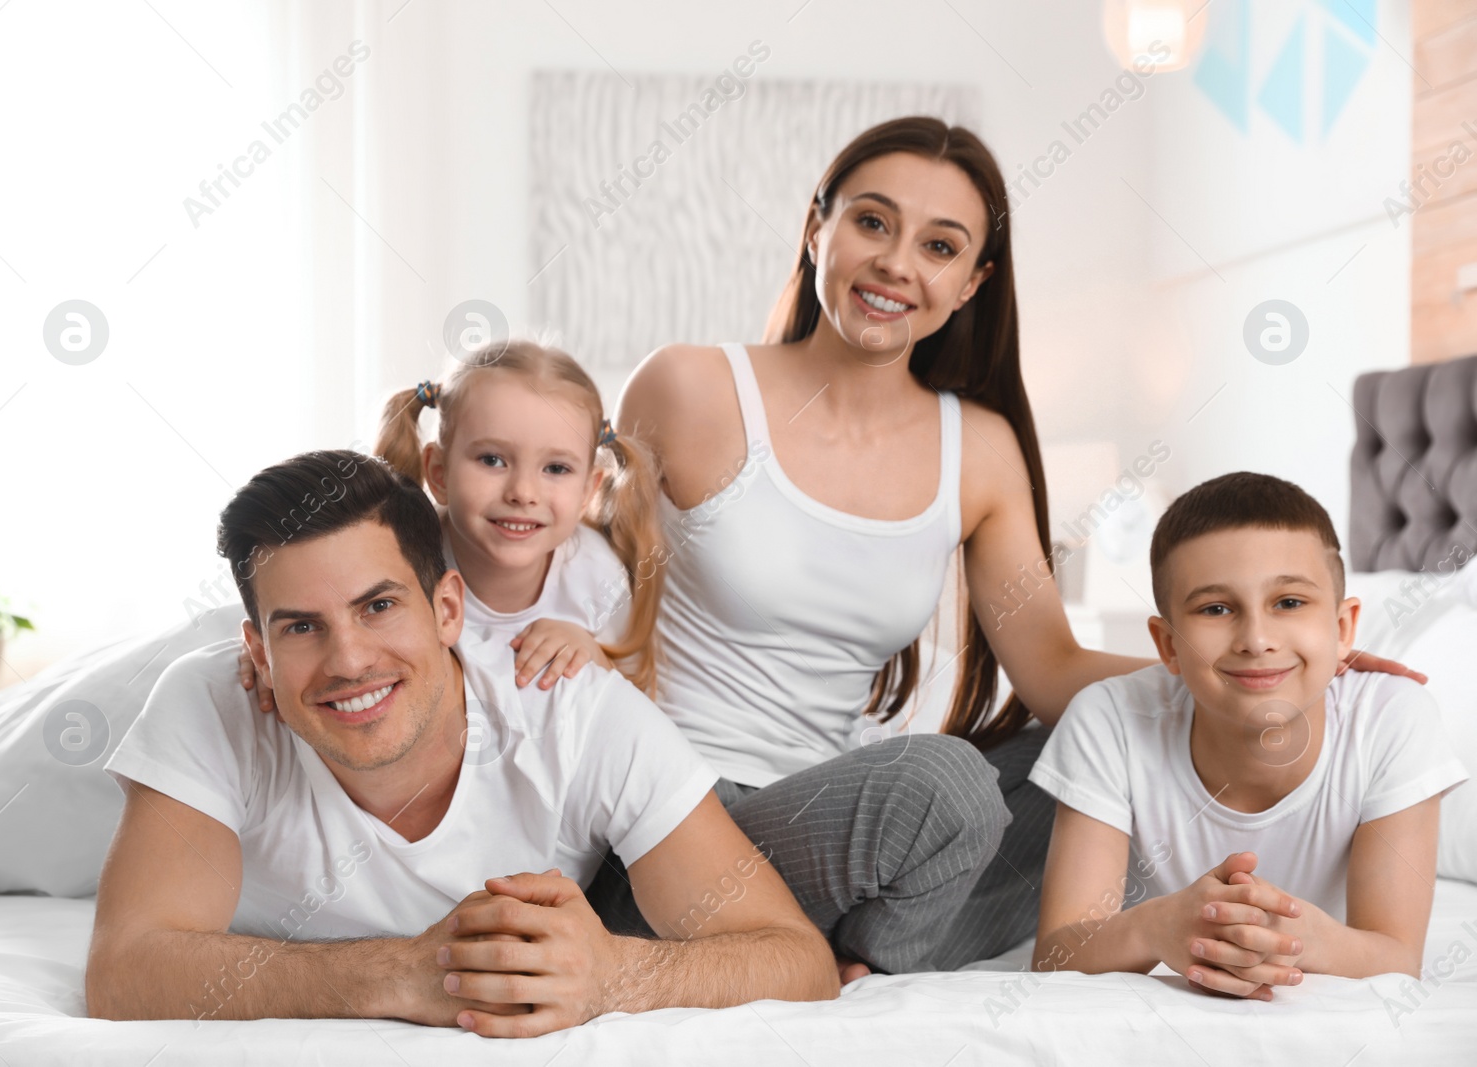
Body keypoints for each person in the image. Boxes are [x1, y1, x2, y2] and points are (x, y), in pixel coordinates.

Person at [597, 116, 1421, 978]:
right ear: (817, 230)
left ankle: (845, 956)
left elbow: (1054, 670)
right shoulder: (689, 387)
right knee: (946, 784)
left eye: (940, 246)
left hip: (836, 827)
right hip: (674, 827)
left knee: (1098, 751)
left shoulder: (978, 450)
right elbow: (581, 587)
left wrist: (1268, 666)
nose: (897, 264)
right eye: (872, 222)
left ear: (971, 283)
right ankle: (849, 953)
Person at [86, 449, 837, 1037]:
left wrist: (614, 975)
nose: (349, 659)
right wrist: (403, 973)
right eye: (301, 626)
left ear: (448, 607)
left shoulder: (570, 709)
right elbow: (126, 969)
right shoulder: (209, 700)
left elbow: (796, 957)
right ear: (257, 648)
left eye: (378, 605)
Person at [1030, 472, 1467, 998]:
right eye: (1216, 609)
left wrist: (1299, 939)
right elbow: (1054, 957)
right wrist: (1155, 927)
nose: (1256, 640)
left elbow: (1396, 958)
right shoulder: (1106, 720)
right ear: (1166, 645)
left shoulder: (1393, 719)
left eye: (1289, 602)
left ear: (1344, 627)